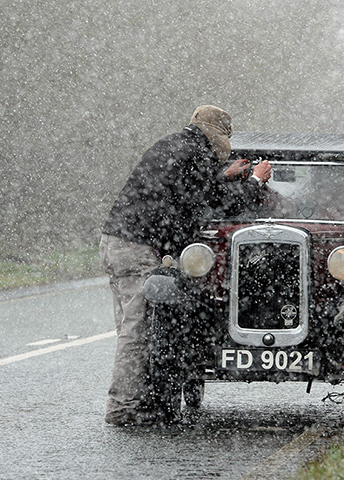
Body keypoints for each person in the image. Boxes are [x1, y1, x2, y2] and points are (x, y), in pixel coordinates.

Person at [99, 105, 272, 426]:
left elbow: (188, 188)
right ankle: (123, 408)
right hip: (137, 246)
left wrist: (224, 175)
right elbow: (217, 202)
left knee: (129, 326)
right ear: (219, 136)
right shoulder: (198, 154)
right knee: (138, 330)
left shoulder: (176, 145)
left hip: (115, 239)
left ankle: (141, 399)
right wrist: (256, 183)